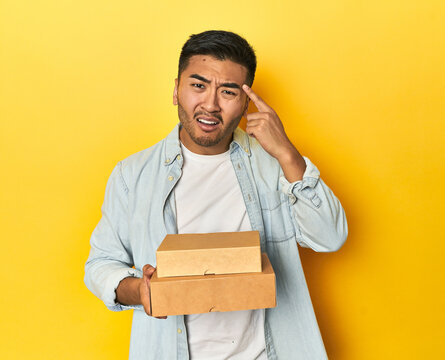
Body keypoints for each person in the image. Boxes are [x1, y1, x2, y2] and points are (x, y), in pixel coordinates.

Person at [84, 30, 348, 360]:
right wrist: (139, 290)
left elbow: (330, 238)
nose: (210, 104)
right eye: (198, 85)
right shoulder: (133, 175)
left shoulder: (274, 163)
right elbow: (101, 264)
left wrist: (288, 154)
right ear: (176, 90)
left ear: (247, 101)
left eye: (227, 91)